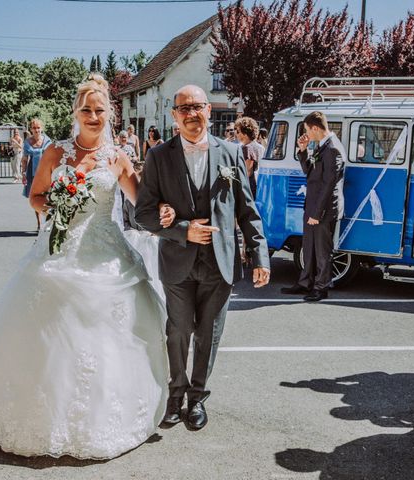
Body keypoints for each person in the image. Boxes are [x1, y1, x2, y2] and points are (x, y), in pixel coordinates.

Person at [0, 74, 171, 459]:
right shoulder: (56, 153)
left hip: (108, 256)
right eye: (86, 110)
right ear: (75, 112)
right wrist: (57, 207)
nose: (93, 116)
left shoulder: (117, 157)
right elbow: (36, 198)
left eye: (100, 110)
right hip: (57, 251)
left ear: (111, 113)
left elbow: (141, 206)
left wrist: (164, 211)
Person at [135, 84, 270, 430]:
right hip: (177, 263)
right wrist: (182, 230)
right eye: (184, 108)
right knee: (178, 332)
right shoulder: (158, 156)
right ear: (174, 115)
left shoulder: (231, 153)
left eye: (197, 106)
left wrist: (260, 257)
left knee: (208, 335)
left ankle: (197, 398)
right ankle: (175, 394)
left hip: (220, 263)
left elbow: (247, 211)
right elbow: (144, 214)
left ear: (209, 110)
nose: (191, 114)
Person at [281, 111, 344, 302]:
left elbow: (329, 184)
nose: (307, 133)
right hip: (313, 206)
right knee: (309, 247)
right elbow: (310, 172)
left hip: (324, 210)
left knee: (323, 251)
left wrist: (318, 212)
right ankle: (305, 282)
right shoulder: (321, 147)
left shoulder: (333, 148)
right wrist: (303, 150)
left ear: (315, 128)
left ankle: (321, 287)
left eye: (307, 129)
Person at [21, 118, 52, 231]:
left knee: (48, 196)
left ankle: (48, 222)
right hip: (32, 172)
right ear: (31, 129)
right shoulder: (27, 142)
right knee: (36, 197)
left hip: (46, 172)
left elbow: (52, 157)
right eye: (34, 128)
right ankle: (39, 223)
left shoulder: (48, 141)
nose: (37, 130)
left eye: (38, 127)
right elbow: (24, 159)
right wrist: (23, 173)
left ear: (42, 128)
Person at [235, 116, 265, 199]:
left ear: (245, 133)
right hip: (258, 183)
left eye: (238, 131)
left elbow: (248, 172)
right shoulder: (260, 147)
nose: (236, 134)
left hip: (248, 186)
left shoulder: (246, 148)